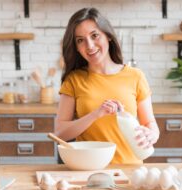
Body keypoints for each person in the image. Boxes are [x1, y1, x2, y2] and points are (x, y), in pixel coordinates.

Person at [55, 7, 160, 164]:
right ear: (76, 47)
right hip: (89, 170)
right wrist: (96, 114)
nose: (89, 45)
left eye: (95, 35)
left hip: (131, 170)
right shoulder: (73, 80)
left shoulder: (135, 76)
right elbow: (60, 133)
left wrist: (152, 134)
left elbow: (150, 124)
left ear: (108, 36)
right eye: (80, 40)